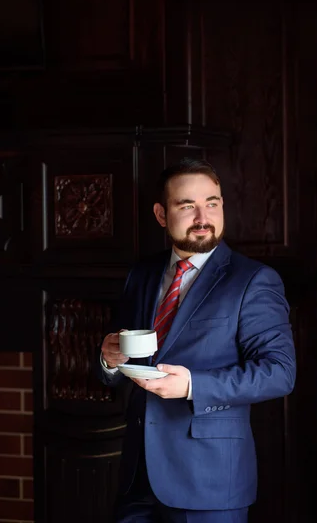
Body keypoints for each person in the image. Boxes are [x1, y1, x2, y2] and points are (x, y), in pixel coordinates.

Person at [97, 157, 296, 523]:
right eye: (187, 206)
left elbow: (279, 373)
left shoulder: (253, 280)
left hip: (210, 483)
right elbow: (125, 360)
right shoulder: (141, 274)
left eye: (212, 203)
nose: (203, 217)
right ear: (161, 214)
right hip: (137, 480)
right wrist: (108, 359)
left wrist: (192, 385)